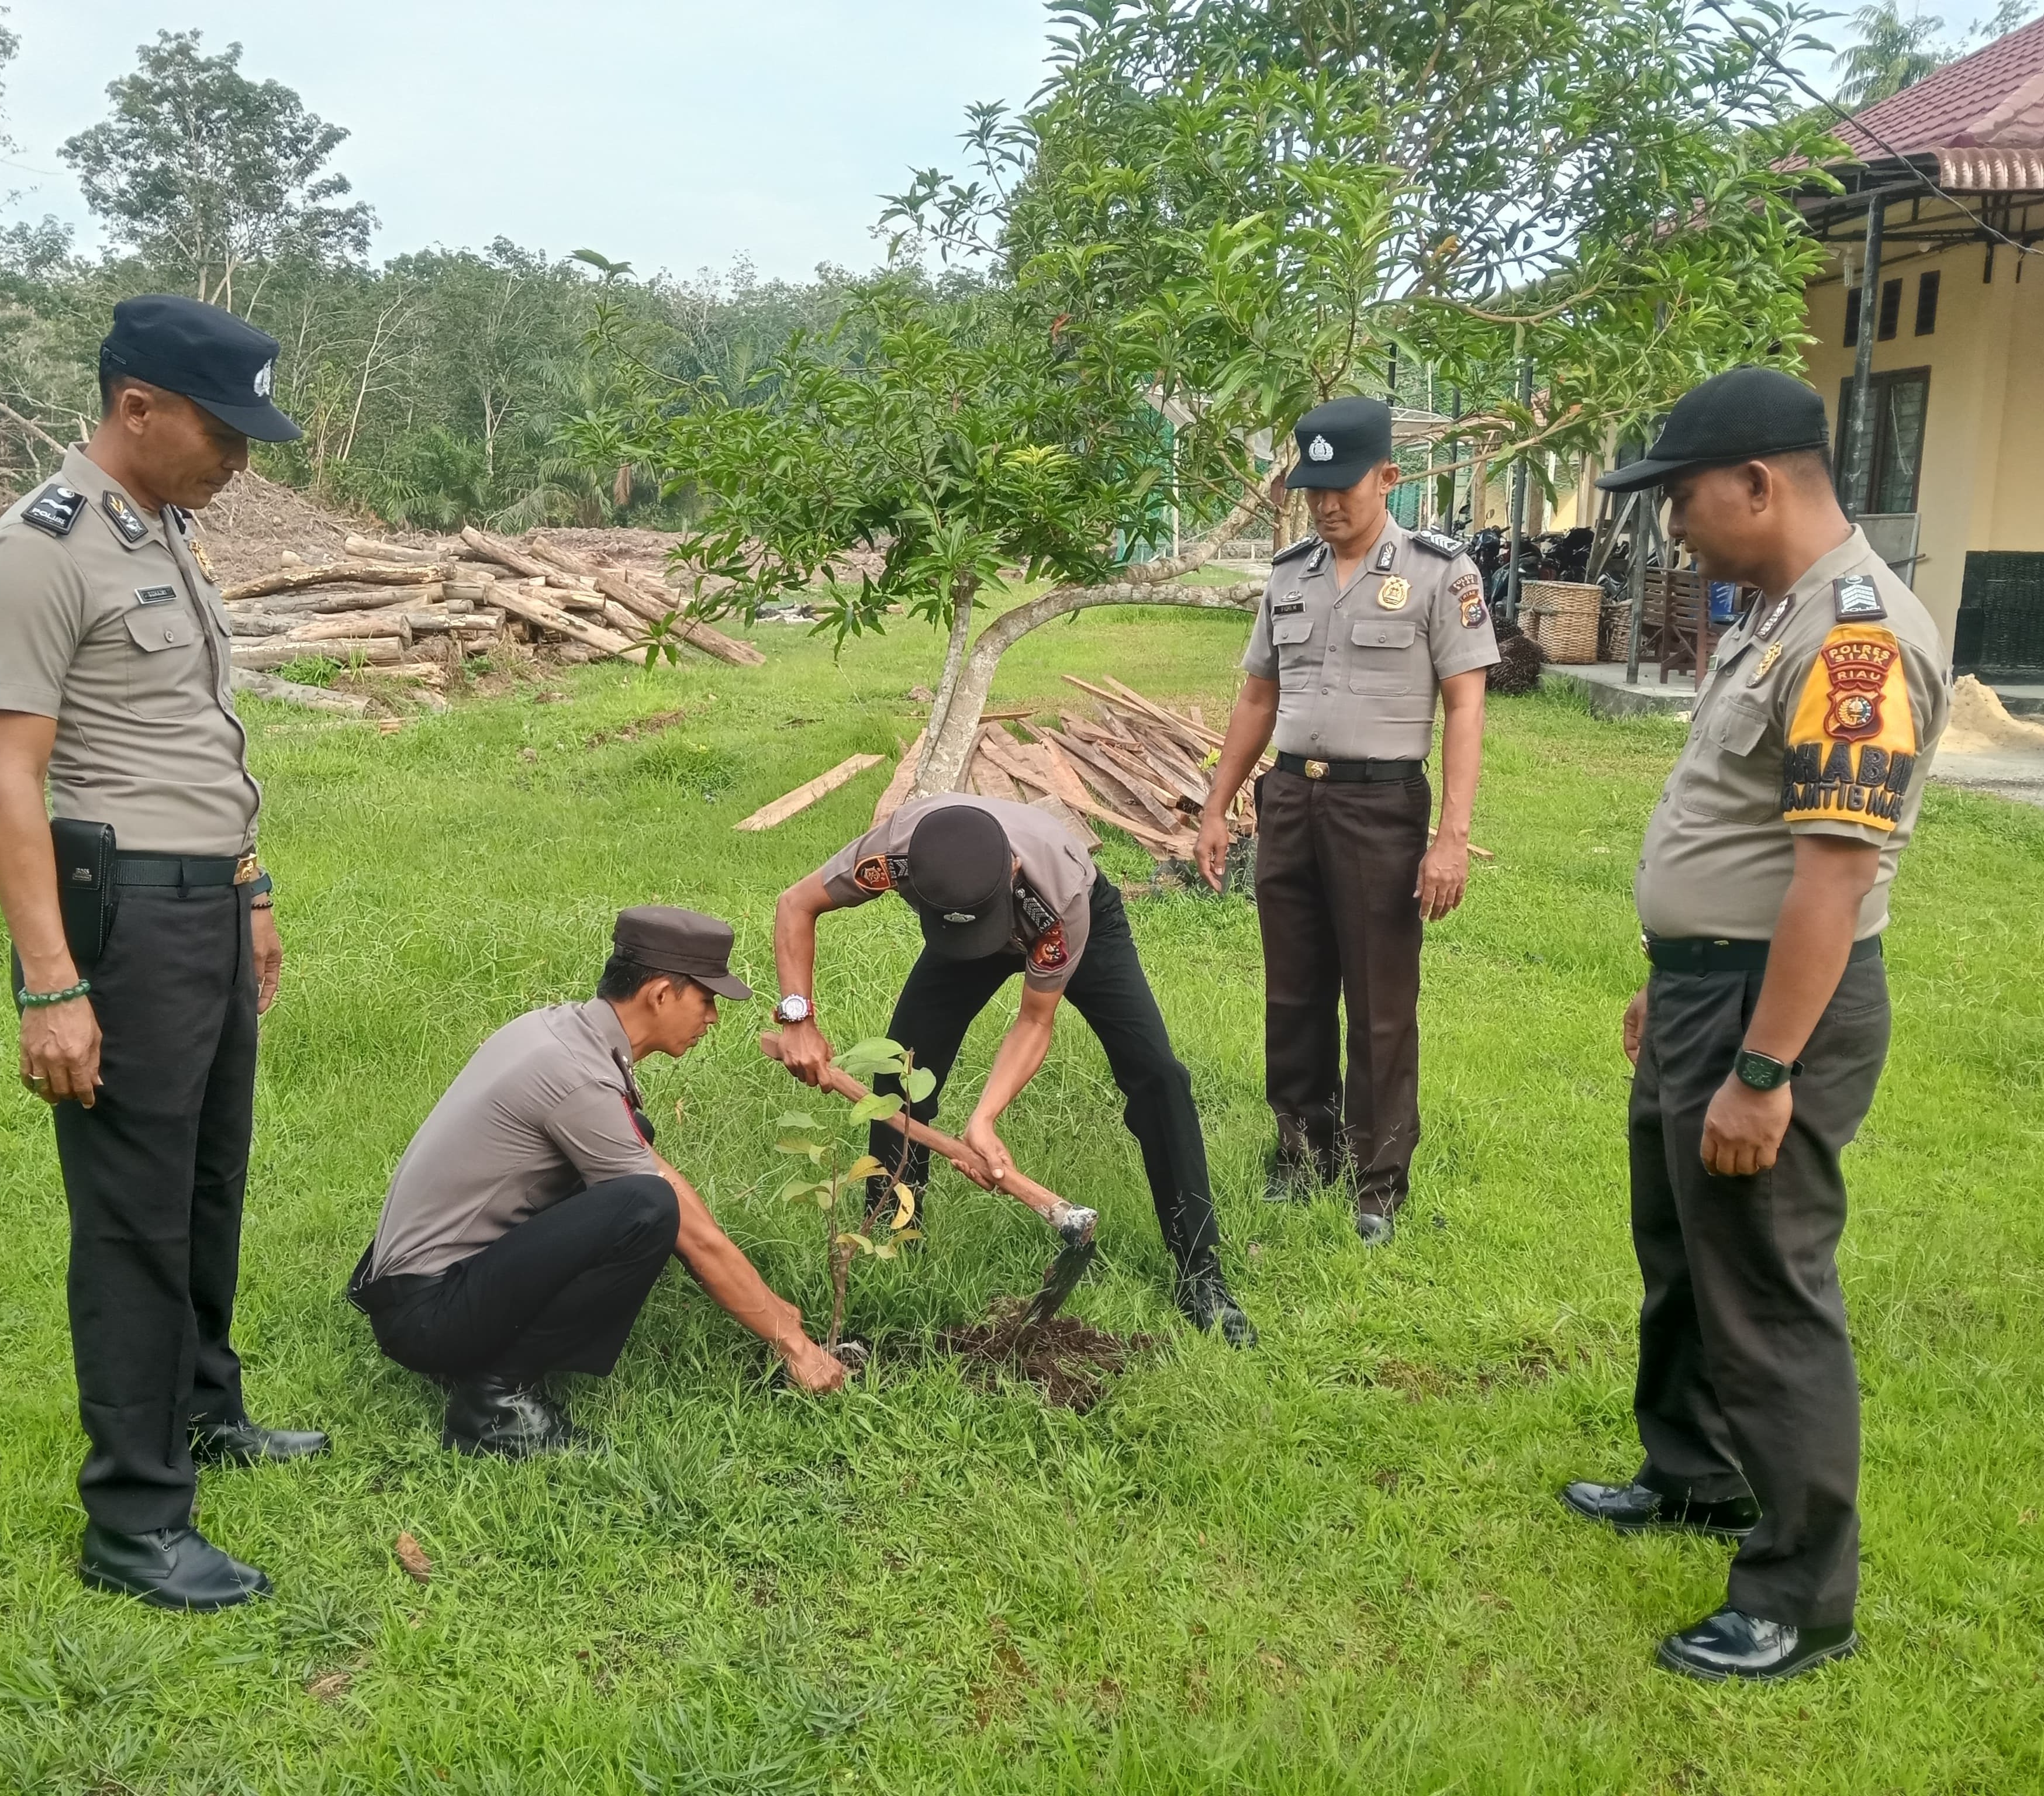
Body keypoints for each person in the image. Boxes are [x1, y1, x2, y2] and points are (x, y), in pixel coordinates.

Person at [1561, 366, 1949, 1683]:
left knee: (1769, 1283)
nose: (1672, 525)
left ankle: (1801, 1594)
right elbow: (1734, 831)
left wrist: (1764, 1064)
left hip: (1774, 1009)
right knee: (1680, 1245)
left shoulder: (1854, 641)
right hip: (1707, 987)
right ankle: (1693, 1473)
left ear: (1758, 483)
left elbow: (1833, 879)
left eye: (1679, 499)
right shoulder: (1772, 612)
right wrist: (1672, 973)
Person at [0, 295, 324, 1612]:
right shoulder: (38, 552)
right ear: (137, 409)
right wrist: (53, 985)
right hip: (120, 921)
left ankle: (204, 1411)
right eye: (222, 434)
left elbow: (192, 742)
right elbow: (12, 780)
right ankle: (133, 1521)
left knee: (209, 1180)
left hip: (208, 906)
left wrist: (253, 885)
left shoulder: (162, 533)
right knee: (132, 1215)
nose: (239, 460)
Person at [348, 907, 848, 1455]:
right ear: (660, 994)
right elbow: (677, 1220)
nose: (713, 1019)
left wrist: (770, 1305)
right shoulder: (577, 1077)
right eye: (706, 1000)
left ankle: (487, 1357)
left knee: (644, 1171)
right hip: (426, 1317)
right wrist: (793, 1344)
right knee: (644, 1209)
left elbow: (658, 1170)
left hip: (412, 1285)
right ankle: (495, 1400)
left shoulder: (558, 1030)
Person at [772, 795, 1255, 1346]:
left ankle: (1200, 1270)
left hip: (1066, 922)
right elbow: (795, 904)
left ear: (1012, 870)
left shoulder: (1061, 893)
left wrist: (985, 1118)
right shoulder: (897, 853)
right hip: (962, 923)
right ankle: (897, 1234)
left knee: (1160, 1077)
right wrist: (798, 1017)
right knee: (900, 1065)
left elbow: (1033, 1020)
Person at [1195, 396, 1497, 1243]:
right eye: (1313, 489)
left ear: (1389, 479)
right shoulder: (1289, 574)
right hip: (1291, 799)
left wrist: (1452, 837)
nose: (1327, 505)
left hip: (1381, 806)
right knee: (1292, 992)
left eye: (1344, 488)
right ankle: (1301, 1150)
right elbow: (1259, 695)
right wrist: (1219, 804)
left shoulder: (1442, 574)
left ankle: (1378, 1178)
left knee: (1379, 997)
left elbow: (1465, 707)